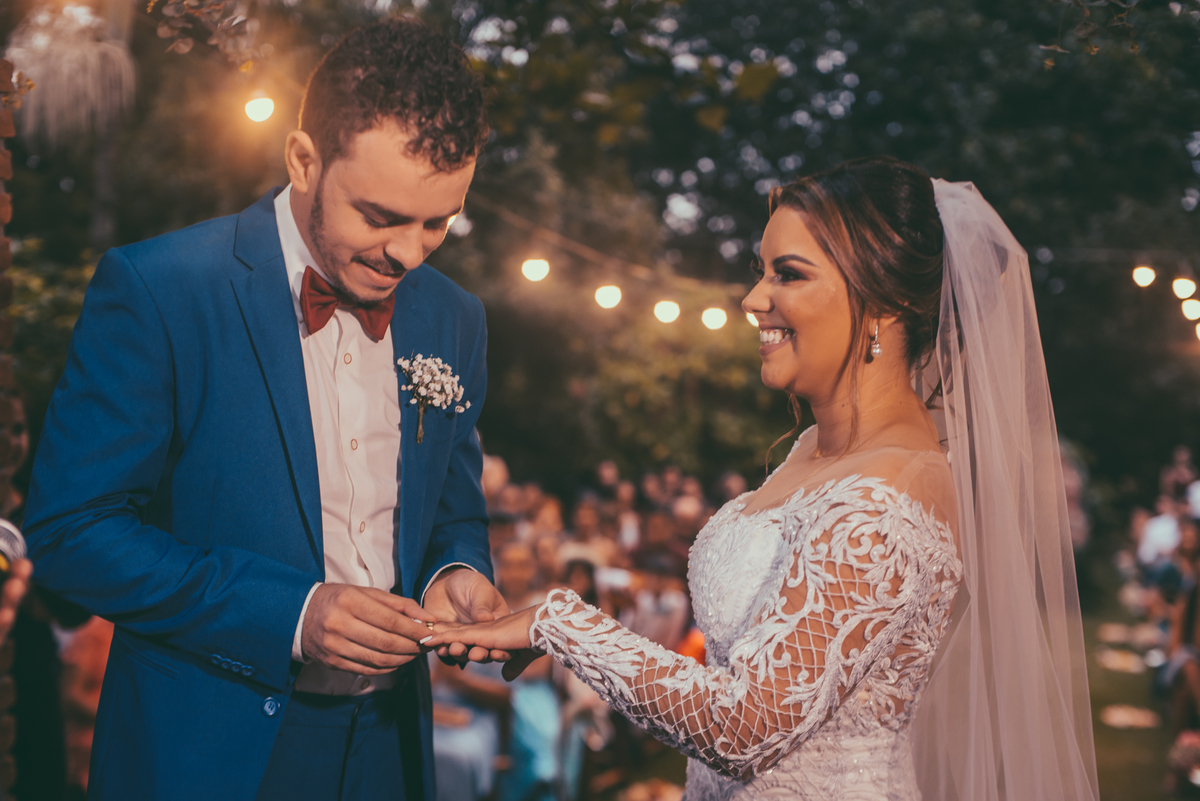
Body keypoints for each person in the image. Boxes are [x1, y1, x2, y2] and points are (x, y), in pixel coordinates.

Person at [426, 158, 1099, 800]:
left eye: (790, 274)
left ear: (886, 305)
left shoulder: (890, 489)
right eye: (761, 271)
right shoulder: (813, 446)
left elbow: (743, 724)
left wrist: (556, 619)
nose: (754, 299)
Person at [22, 19, 507, 801]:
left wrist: (456, 570)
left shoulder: (456, 318)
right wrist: (291, 612)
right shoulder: (162, 287)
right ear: (304, 159)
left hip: (391, 751)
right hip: (204, 750)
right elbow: (70, 534)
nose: (409, 254)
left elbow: (453, 503)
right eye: (380, 216)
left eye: (437, 221)